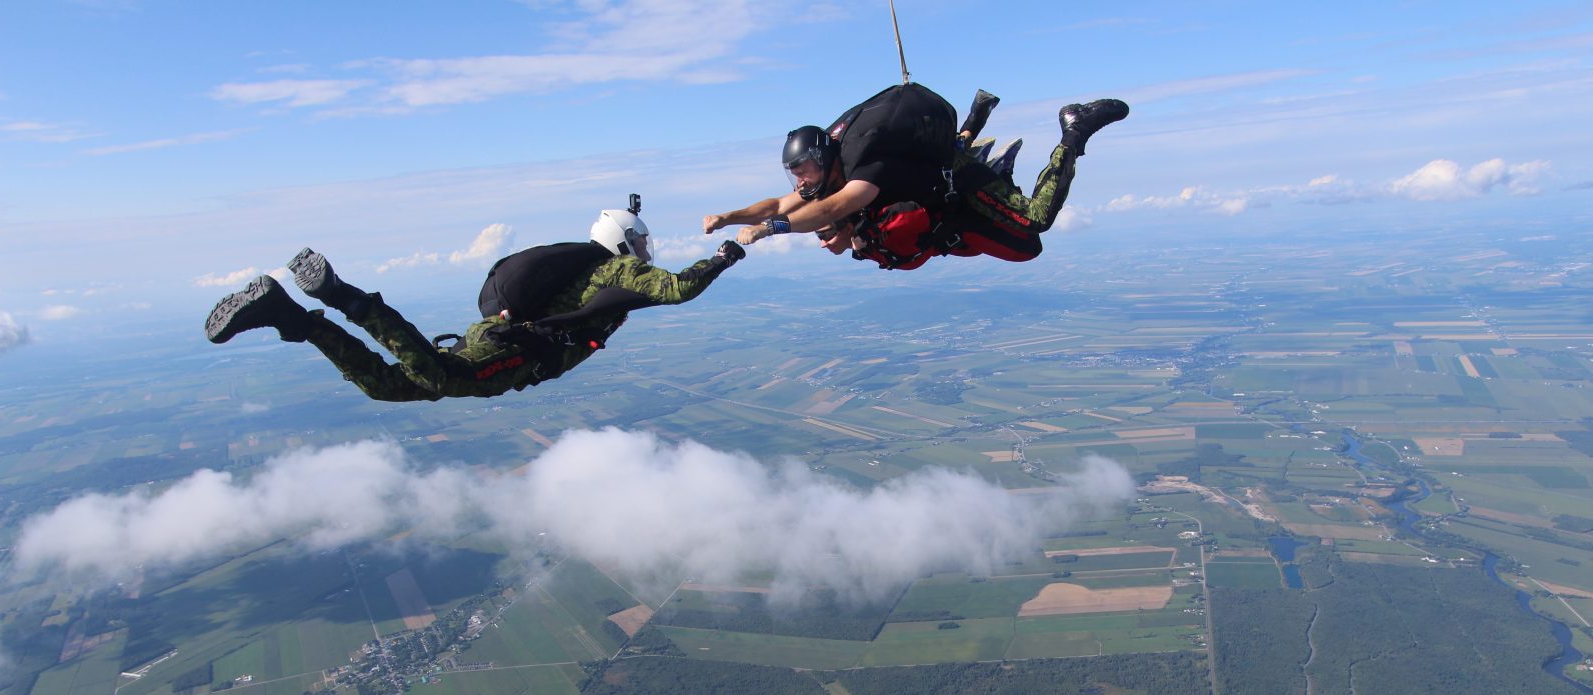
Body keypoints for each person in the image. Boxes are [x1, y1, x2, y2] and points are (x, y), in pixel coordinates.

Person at [204, 203, 745, 402]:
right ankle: (340, 296)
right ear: (627, 241)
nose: (647, 252)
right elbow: (679, 288)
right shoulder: (616, 268)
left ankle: (289, 316)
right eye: (642, 242)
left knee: (388, 388)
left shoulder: (581, 267)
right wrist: (726, 254)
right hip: (519, 351)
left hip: (503, 340)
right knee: (439, 377)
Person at [705, 86, 1127, 269]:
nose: (801, 182)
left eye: (805, 170)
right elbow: (781, 204)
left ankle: (1074, 130)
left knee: (1034, 221)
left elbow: (825, 211)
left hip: (962, 181)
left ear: (823, 157)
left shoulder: (861, 178)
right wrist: (728, 216)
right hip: (947, 202)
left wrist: (768, 230)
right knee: (1027, 247)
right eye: (795, 174)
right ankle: (972, 122)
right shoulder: (829, 182)